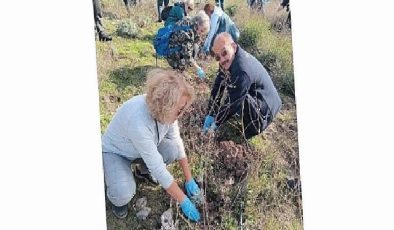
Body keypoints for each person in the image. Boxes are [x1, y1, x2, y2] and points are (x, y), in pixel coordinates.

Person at [102, 69, 201, 222]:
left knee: (172, 149)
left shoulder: (168, 113)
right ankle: (117, 200)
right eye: (180, 109)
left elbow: (176, 142)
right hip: (117, 153)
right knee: (123, 192)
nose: (182, 113)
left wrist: (189, 179)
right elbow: (158, 168)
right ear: (166, 105)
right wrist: (184, 201)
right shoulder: (138, 121)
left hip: (140, 150)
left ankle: (142, 171)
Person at [203, 32, 282, 139]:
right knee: (233, 87)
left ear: (234, 47)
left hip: (266, 111)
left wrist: (216, 123)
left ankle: (249, 130)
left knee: (238, 95)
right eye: (217, 57)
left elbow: (233, 102)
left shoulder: (242, 70)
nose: (221, 59)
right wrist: (211, 113)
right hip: (259, 96)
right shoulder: (229, 60)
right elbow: (218, 84)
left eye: (224, 52)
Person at [166, 10, 210, 79]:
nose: (201, 33)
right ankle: (179, 70)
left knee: (193, 49)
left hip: (174, 47)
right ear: (198, 23)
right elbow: (187, 54)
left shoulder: (190, 21)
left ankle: (181, 67)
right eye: (201, 31)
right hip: (172, 52)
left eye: (203, 33)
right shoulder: (188, 33)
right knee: (188, 54)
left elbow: (197, 40)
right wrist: (197, 68)